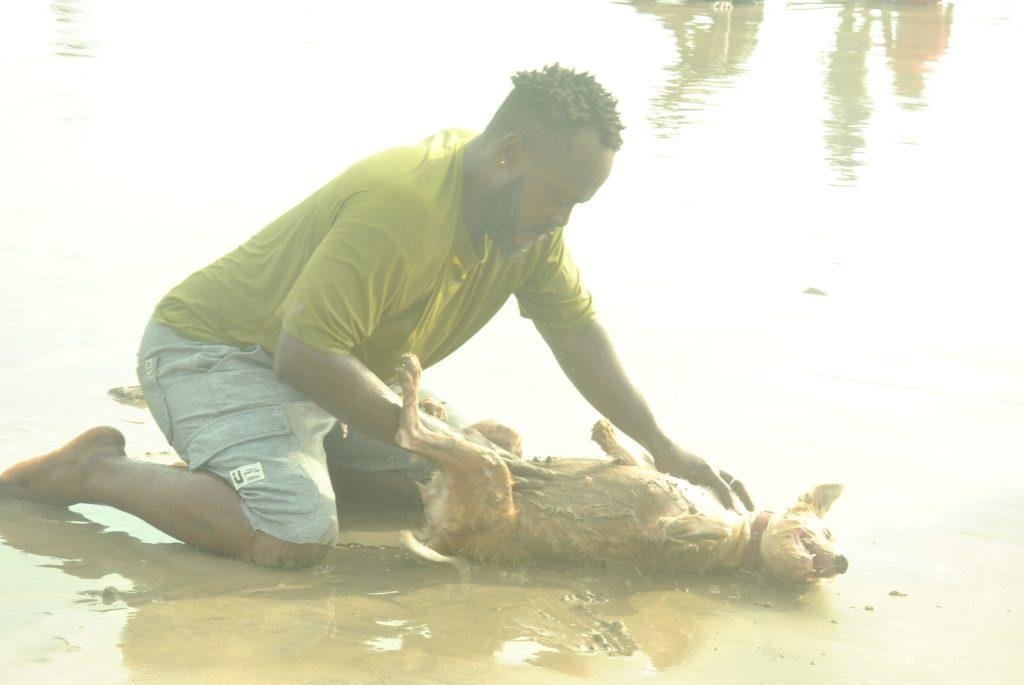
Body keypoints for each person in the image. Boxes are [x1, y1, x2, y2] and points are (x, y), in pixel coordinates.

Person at [1, 65, 750, 569]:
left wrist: (662, 445)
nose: (560, 220)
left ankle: (270, 465)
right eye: (557, 198)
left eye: (575, 208)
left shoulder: (523, 228)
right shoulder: (403, 203)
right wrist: (429, 438)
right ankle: (95, 469)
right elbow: (300, 355)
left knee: (488, 468)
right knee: (293, 534)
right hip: (217, 355)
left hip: (327, 376)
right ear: (510, 155)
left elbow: (576, 333)